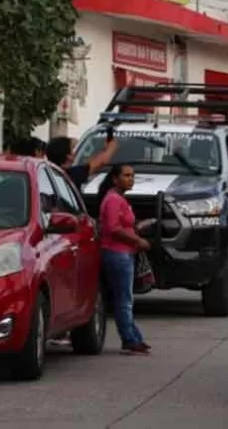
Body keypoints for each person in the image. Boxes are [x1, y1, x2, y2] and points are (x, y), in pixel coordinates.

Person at [97, 163, 153, 355]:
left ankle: (134, 336)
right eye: (126, 175)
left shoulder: (120, 199)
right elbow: (113, 228)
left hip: (124, 253)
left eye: (133, 175)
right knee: (124, 299)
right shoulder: (113, 200)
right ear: (115, 178)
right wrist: (137, 239)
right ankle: (129, 339)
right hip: (117, 253)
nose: (131, 179)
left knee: (125, 298)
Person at [45, 134, 118, 189]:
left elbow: (92, 162)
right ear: (68, 156)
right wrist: (112, 146)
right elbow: (101, 161)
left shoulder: (45, 174)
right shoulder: (71, 175)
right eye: (72, 151)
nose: (74, 156)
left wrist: (104, 150)